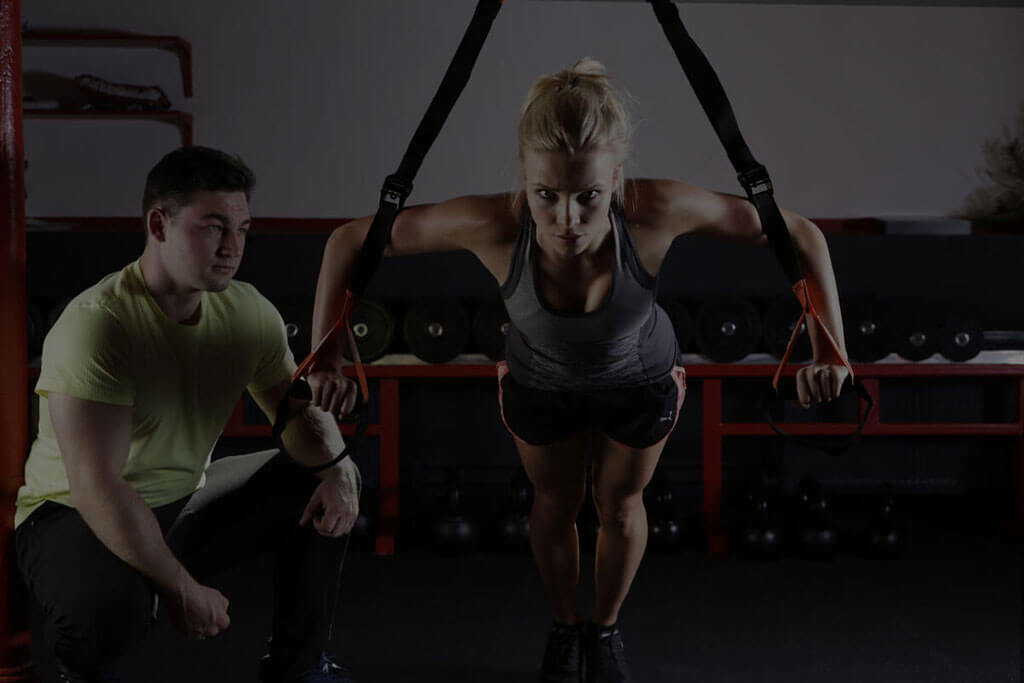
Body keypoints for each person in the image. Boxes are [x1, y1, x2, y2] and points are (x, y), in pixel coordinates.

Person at [308, 58, 849, 683]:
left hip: (640, 381)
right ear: (526, 178)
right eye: (547, 195)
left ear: (616, 179)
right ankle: (566, 627)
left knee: (619, 506)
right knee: (554, 503)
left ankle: (605, 628)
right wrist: (325, 355)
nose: (567, 218)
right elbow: (349, 240)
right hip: (542, 384)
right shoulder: (495, 223)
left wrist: (830, 350)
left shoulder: (654, 209)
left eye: (588, 195)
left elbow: (799, 234)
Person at [14, 146, 362, 683]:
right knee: (112, 612)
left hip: (181, 499)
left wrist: (336, 471)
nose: (232, 248)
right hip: (70, 512)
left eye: (242, 229)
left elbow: (297, 416)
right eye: (213, 227)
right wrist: (181, 588)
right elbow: (96, 486)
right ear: (159, 225)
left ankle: (299, 668)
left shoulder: (247, 312)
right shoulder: (99, 324)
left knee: (326, 472)